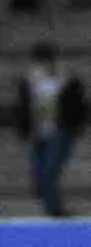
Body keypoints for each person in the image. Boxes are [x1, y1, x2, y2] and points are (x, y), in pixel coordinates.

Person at [18, 41, 87, 216]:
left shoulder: (65, 80)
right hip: (38, 134)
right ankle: (52, 206)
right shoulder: (29, 81)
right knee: (38, 176)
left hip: (60, 132)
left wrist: (75, 126)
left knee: (49, 172)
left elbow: (77, 105)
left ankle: (54, 210)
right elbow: (24, 107)